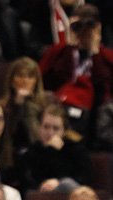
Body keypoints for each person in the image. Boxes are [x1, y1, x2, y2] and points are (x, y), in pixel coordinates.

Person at [40, 3, 113, 138]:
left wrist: (94, 51)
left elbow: (102, 88)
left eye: (89, 26)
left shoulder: (106, 57)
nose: (83, 31)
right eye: (78, 26)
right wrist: (70, 46)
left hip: (95, 111)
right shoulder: (59, 52)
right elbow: (49, 81)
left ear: (98, 28)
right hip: (62, 104)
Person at [19, 102, 92, 193]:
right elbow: (29, 181)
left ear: (63, 130)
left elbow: (84, 179)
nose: (50, 133)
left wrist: (59, 182)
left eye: (56, 128)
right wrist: (50, 151)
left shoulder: (76, 150)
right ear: (39, 127)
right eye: (46, 127)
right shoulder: (32, 151)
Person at [1, 56, 49, 161]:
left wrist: (27, 107)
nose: (25, 81)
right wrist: (18, 104)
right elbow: (7, 138)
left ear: (36, 82)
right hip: (11, 156)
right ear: (11, 79)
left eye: (30, 77)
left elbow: (35, 139)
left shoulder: (46, 105)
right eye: (20, 76)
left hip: (40, 156)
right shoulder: (2, 107)